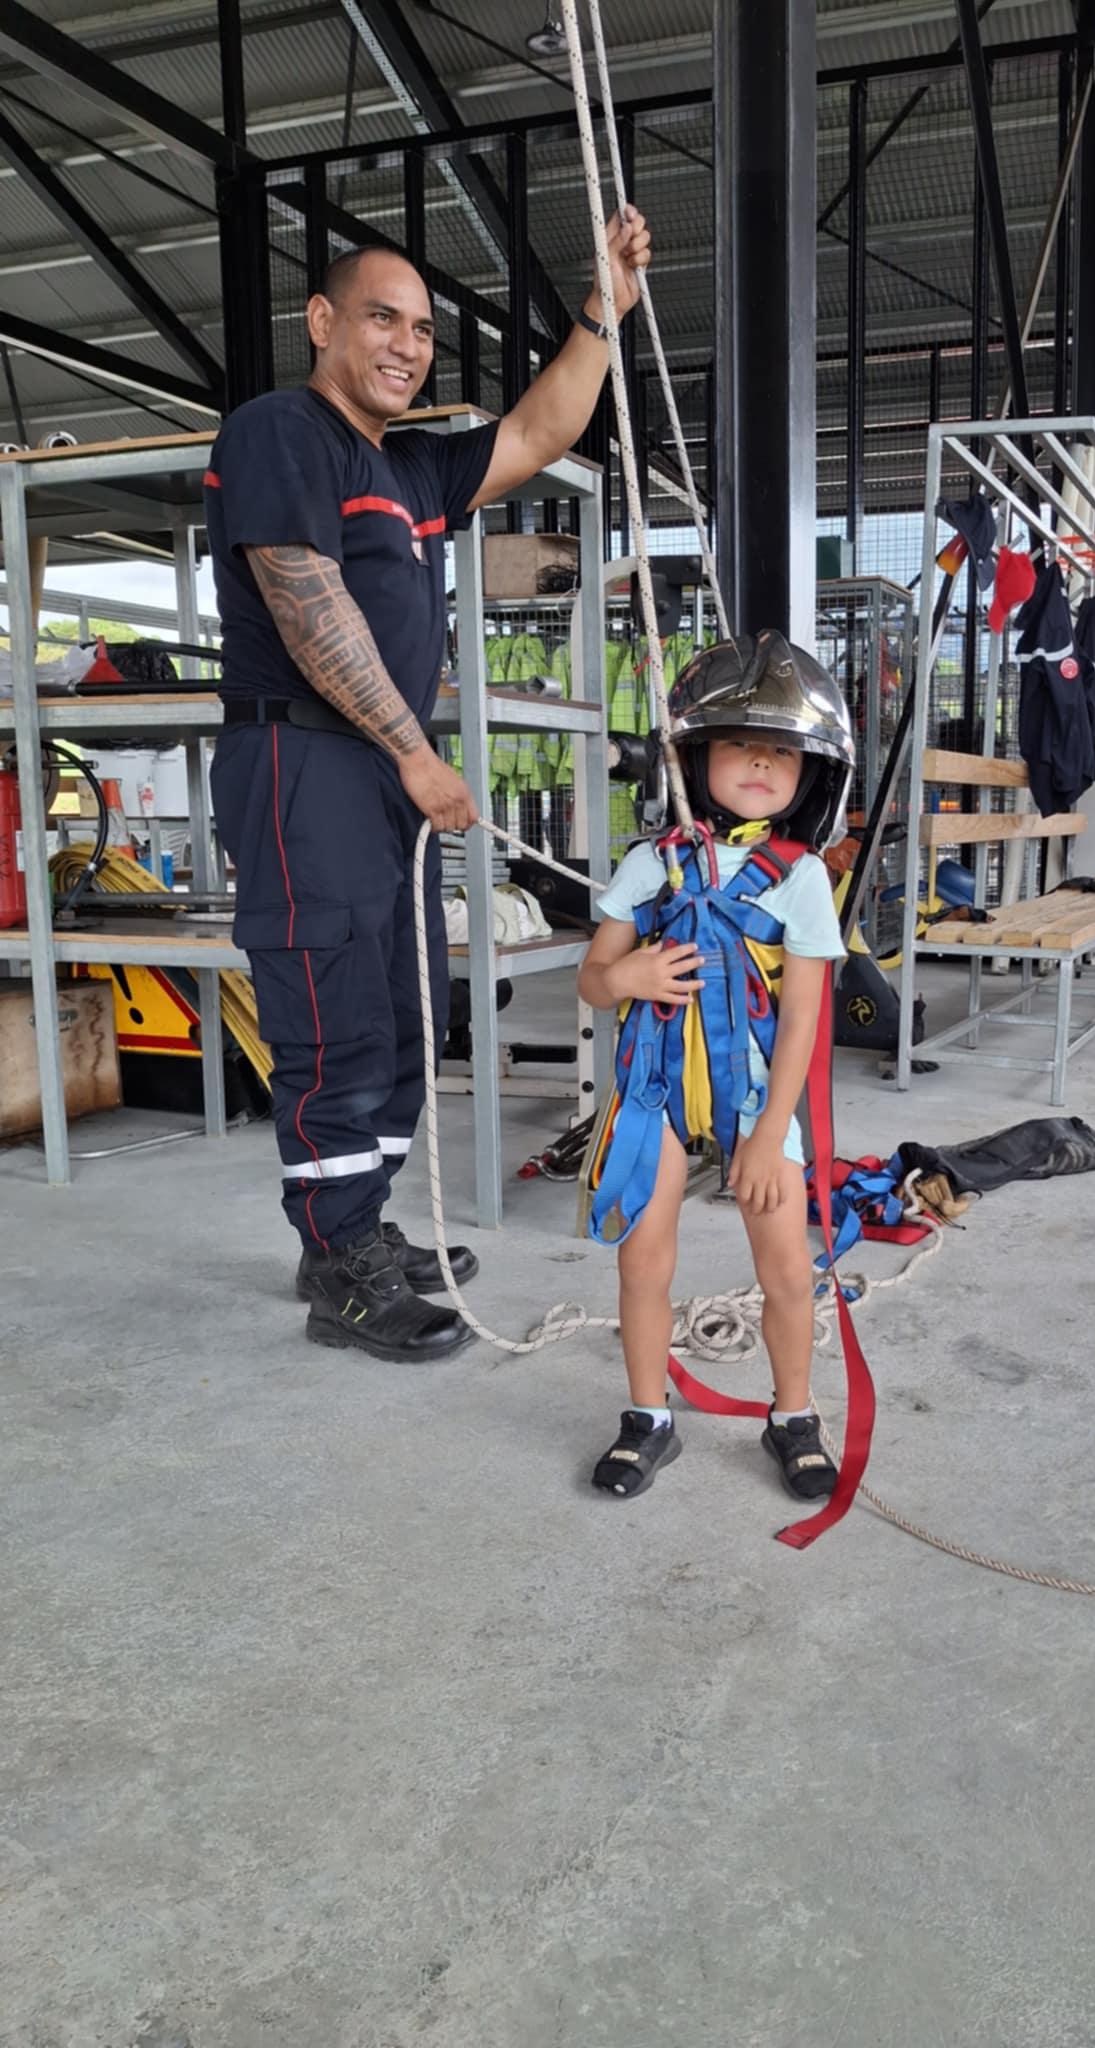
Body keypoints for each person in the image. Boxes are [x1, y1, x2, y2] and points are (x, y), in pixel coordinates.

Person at [205, 211, 652, 1363]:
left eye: (420, 330)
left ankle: (355, 1227)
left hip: (372, 777)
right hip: (307, 762)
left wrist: (602, 311)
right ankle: (340, 1263)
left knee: (403, 1012)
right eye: (381, 318)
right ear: (322, 323)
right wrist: (413, 748)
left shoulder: (407, 469)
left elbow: (545, 424)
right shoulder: (281, 432)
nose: (406, 344)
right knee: (334, 1014)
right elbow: (310, 602)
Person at [575, 633, 853, 1503]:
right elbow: (592, 978)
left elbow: (807, 1013)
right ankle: (648, 1418)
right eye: (741, 745)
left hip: (759, 1101)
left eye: (783, 751)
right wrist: (628, 976)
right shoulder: (647, 866)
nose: (764, 763)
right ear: (696, 757)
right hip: (654, 1091)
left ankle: (794, 1415)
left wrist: (771, 1138)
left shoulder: (801, 877)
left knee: (783, 1268)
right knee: (641, 1260)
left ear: (812, 774)